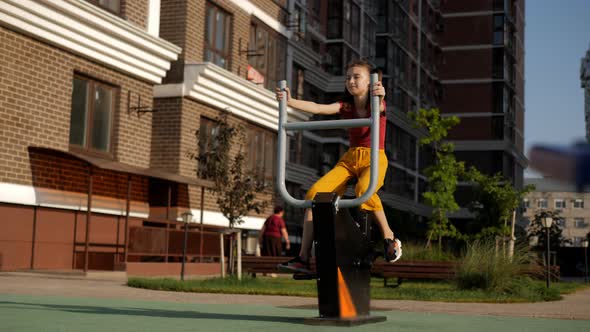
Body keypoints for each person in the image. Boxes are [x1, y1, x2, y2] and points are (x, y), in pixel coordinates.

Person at [276, 59, 402, 274]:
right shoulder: (346, 106)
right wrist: (290, 101)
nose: (351, 81)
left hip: (375, 157)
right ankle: (304, 258)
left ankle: (389, 237)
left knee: (364, 189)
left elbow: (380, 105)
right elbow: (318, 107)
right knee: (314, 195)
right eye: (348, 77)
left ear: (370, 82)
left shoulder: (376, 102)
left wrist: (380, 93)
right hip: (351, 158)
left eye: (356, 77)